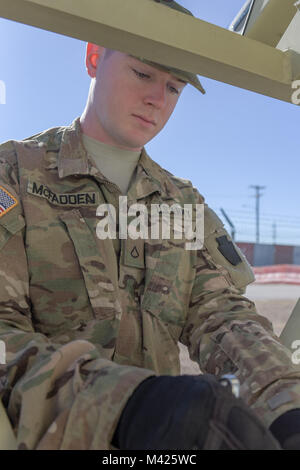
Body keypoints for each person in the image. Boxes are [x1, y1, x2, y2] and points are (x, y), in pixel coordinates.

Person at [0, 0, 299, 451]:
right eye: (143, 74)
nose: (158, 100)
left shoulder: (180, 201)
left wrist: (286, 406)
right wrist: (129, 407)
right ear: (94, 57)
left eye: (175, 87)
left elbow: (221, 317)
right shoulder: (13, 175)